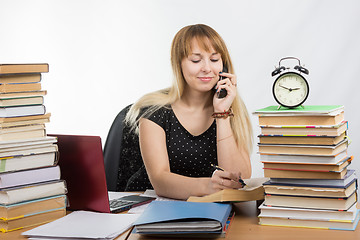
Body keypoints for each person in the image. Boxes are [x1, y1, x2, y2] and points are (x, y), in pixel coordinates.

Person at [120, 24, 253, 200]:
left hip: (207, 206)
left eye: (214, 60)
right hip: (147, 203)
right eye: (196, 60)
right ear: (178, 64)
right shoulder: (154, 110)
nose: (207, 68)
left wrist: (221, 114)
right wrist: (209, 185)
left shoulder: (230, 109)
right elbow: (160, 181)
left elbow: (240, 178)